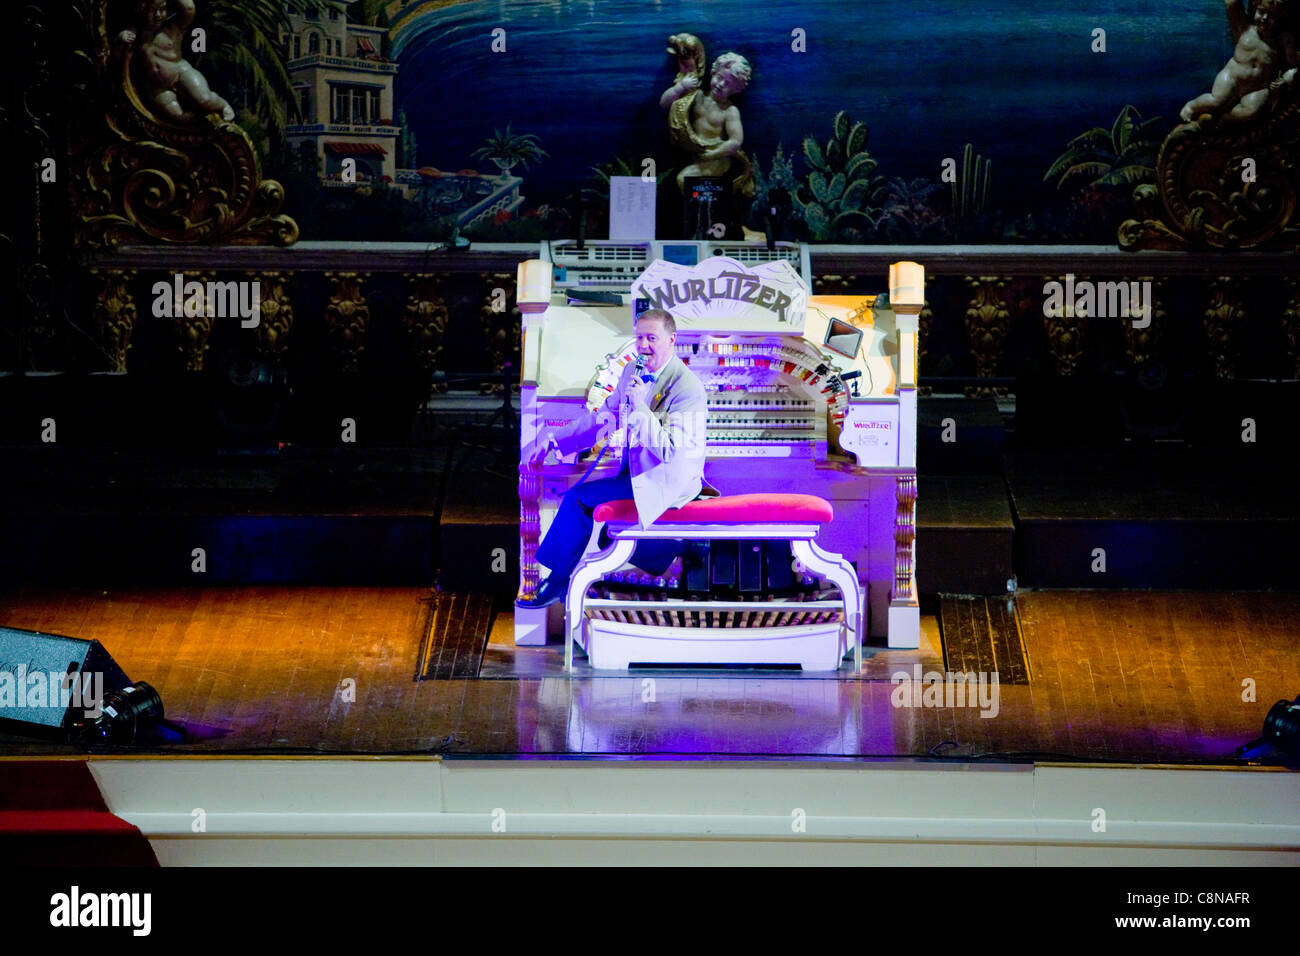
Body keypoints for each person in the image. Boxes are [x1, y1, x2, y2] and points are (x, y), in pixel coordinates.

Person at [517, 308, 713, 608]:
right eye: (639, 338)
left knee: (577, 499)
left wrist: (638, 407)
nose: (644, 346)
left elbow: (670, 452)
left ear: (672, 340)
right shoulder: (632, 372)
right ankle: (681, 549)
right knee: (611, 530)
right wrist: (555, 441)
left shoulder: (687, 386)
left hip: (669, 478)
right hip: (638, 473)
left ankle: (557, 582)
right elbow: (605, 415)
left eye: (652, 338)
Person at [1181, 0, 1297, 123]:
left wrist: (1286, 79)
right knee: (1216, 101)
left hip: (1258, 87)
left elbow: (1294, 65)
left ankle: (1221, 119)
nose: (1265, 18)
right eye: (1261, 12)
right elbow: (1231, 3)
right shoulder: (1244, 28)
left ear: (1281, 17)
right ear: (1255, 8)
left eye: (1272, 15)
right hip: (1232, 78)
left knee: (1250, 112)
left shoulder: (1284, 39)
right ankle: (1191, 106)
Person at [119, 0, 236, 123]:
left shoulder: (174, 27)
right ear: (141, 10)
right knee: (177, 116)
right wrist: (121, 39)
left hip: (181, 73)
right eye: (152, 10)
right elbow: (119, 57)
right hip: (158, 87)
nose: (158, 15)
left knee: (204, 99)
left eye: (162, 9)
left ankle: (223, 105)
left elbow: (189, 8)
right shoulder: (135, 32)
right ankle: (204, 122)